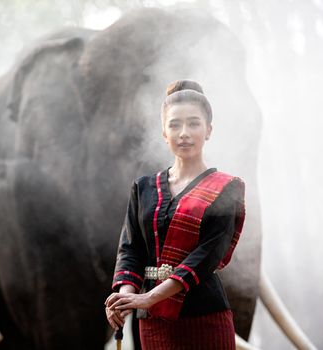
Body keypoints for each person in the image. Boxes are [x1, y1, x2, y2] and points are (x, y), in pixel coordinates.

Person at [105, 80, 246, 349]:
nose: (184, 133)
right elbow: (130, 250)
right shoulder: (143, 188)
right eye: (174, 124)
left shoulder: (227, 188)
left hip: (204, 318)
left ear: (209, 131)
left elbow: (206, 256)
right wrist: (125, 298)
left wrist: (148, 298)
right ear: (163, 132)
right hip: (153, 322)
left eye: (193, 123)